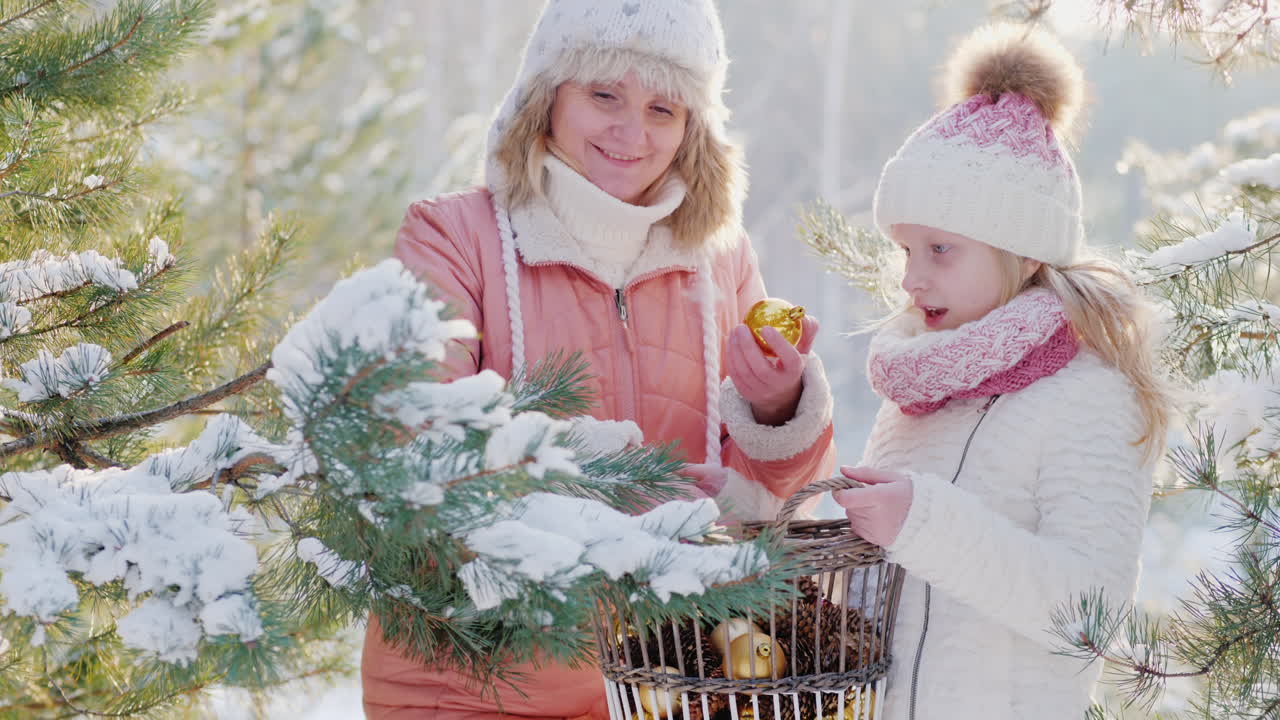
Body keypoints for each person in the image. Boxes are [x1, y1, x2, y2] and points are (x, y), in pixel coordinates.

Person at [361, 1, 837, 718]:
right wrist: (646, 517)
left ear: (692, 127)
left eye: (662, 108)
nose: (631, 132)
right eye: (604, 94)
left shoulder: (721, 260)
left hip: (668, 683)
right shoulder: (452, 238)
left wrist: (776, 408)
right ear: (546, 96)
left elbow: (773, 512)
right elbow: (417, 448)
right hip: (470, 687)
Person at [831, 23, 1176, 720]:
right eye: (905, 250)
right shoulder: (922, 389)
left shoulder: (1092, 395)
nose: (911, 278)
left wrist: (922, 522)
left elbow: (1090, 614)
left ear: (1023, 252)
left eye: (939, 249)